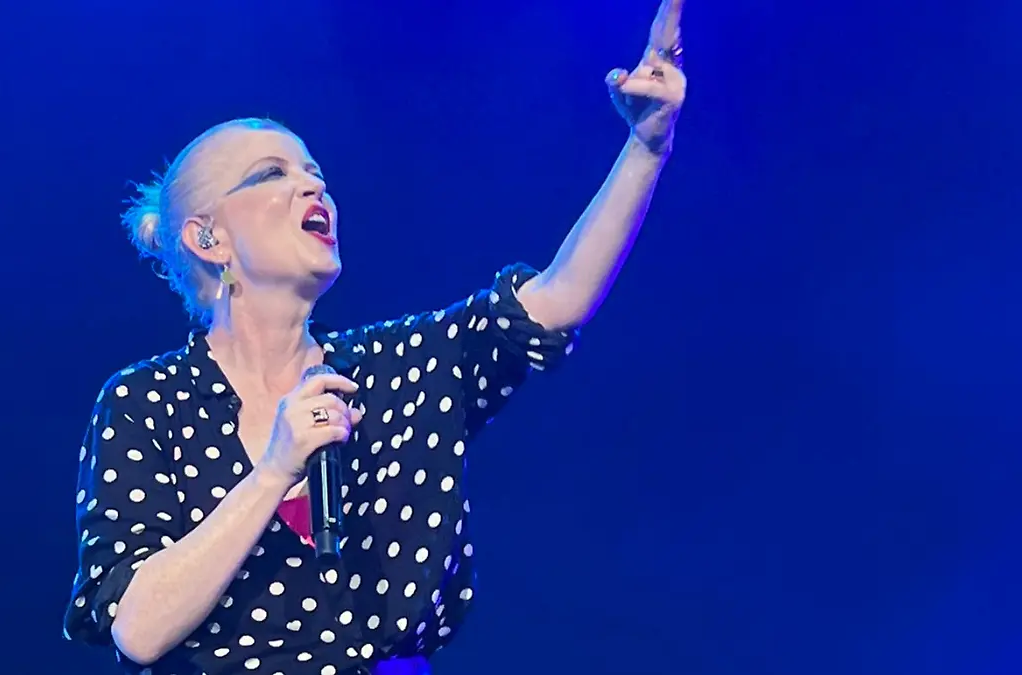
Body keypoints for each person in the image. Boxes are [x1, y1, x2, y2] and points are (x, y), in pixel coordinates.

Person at [62, 2, 686, 673]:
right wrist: (275, 470)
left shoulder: (397, 369)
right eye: (273, 174)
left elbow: (556, 303)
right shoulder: (149, 403)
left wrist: (646, 146)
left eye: (316, 175)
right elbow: (139, 630)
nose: (313, 187)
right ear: (207, 237)